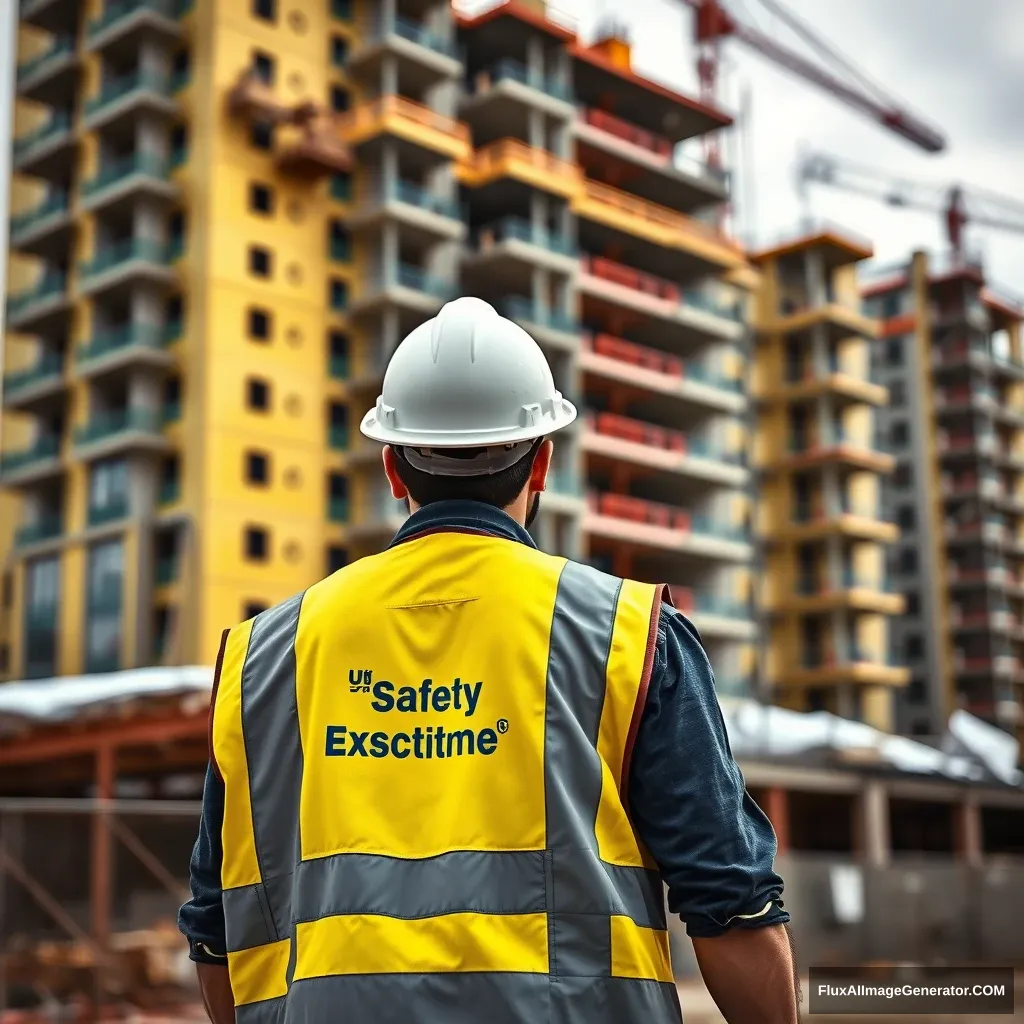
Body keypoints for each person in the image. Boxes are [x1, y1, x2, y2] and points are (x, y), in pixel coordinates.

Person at [179, 297, 798, 1024]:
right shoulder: (630, 633)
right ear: (543, 463)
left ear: (391, 468)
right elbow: (731, 903)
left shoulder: (263, 655)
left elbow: (217, 928)